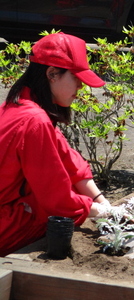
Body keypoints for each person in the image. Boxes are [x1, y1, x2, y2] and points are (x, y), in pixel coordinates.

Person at [0, 33, 114, 256]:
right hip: (4, 225)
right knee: (55, 212)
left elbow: (68, 158)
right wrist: (100, 211)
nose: (81, 87)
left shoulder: (18, 106)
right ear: (52, 74)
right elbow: (57, 199)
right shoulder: (35, 120)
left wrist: (103, 203)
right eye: (76, 78)